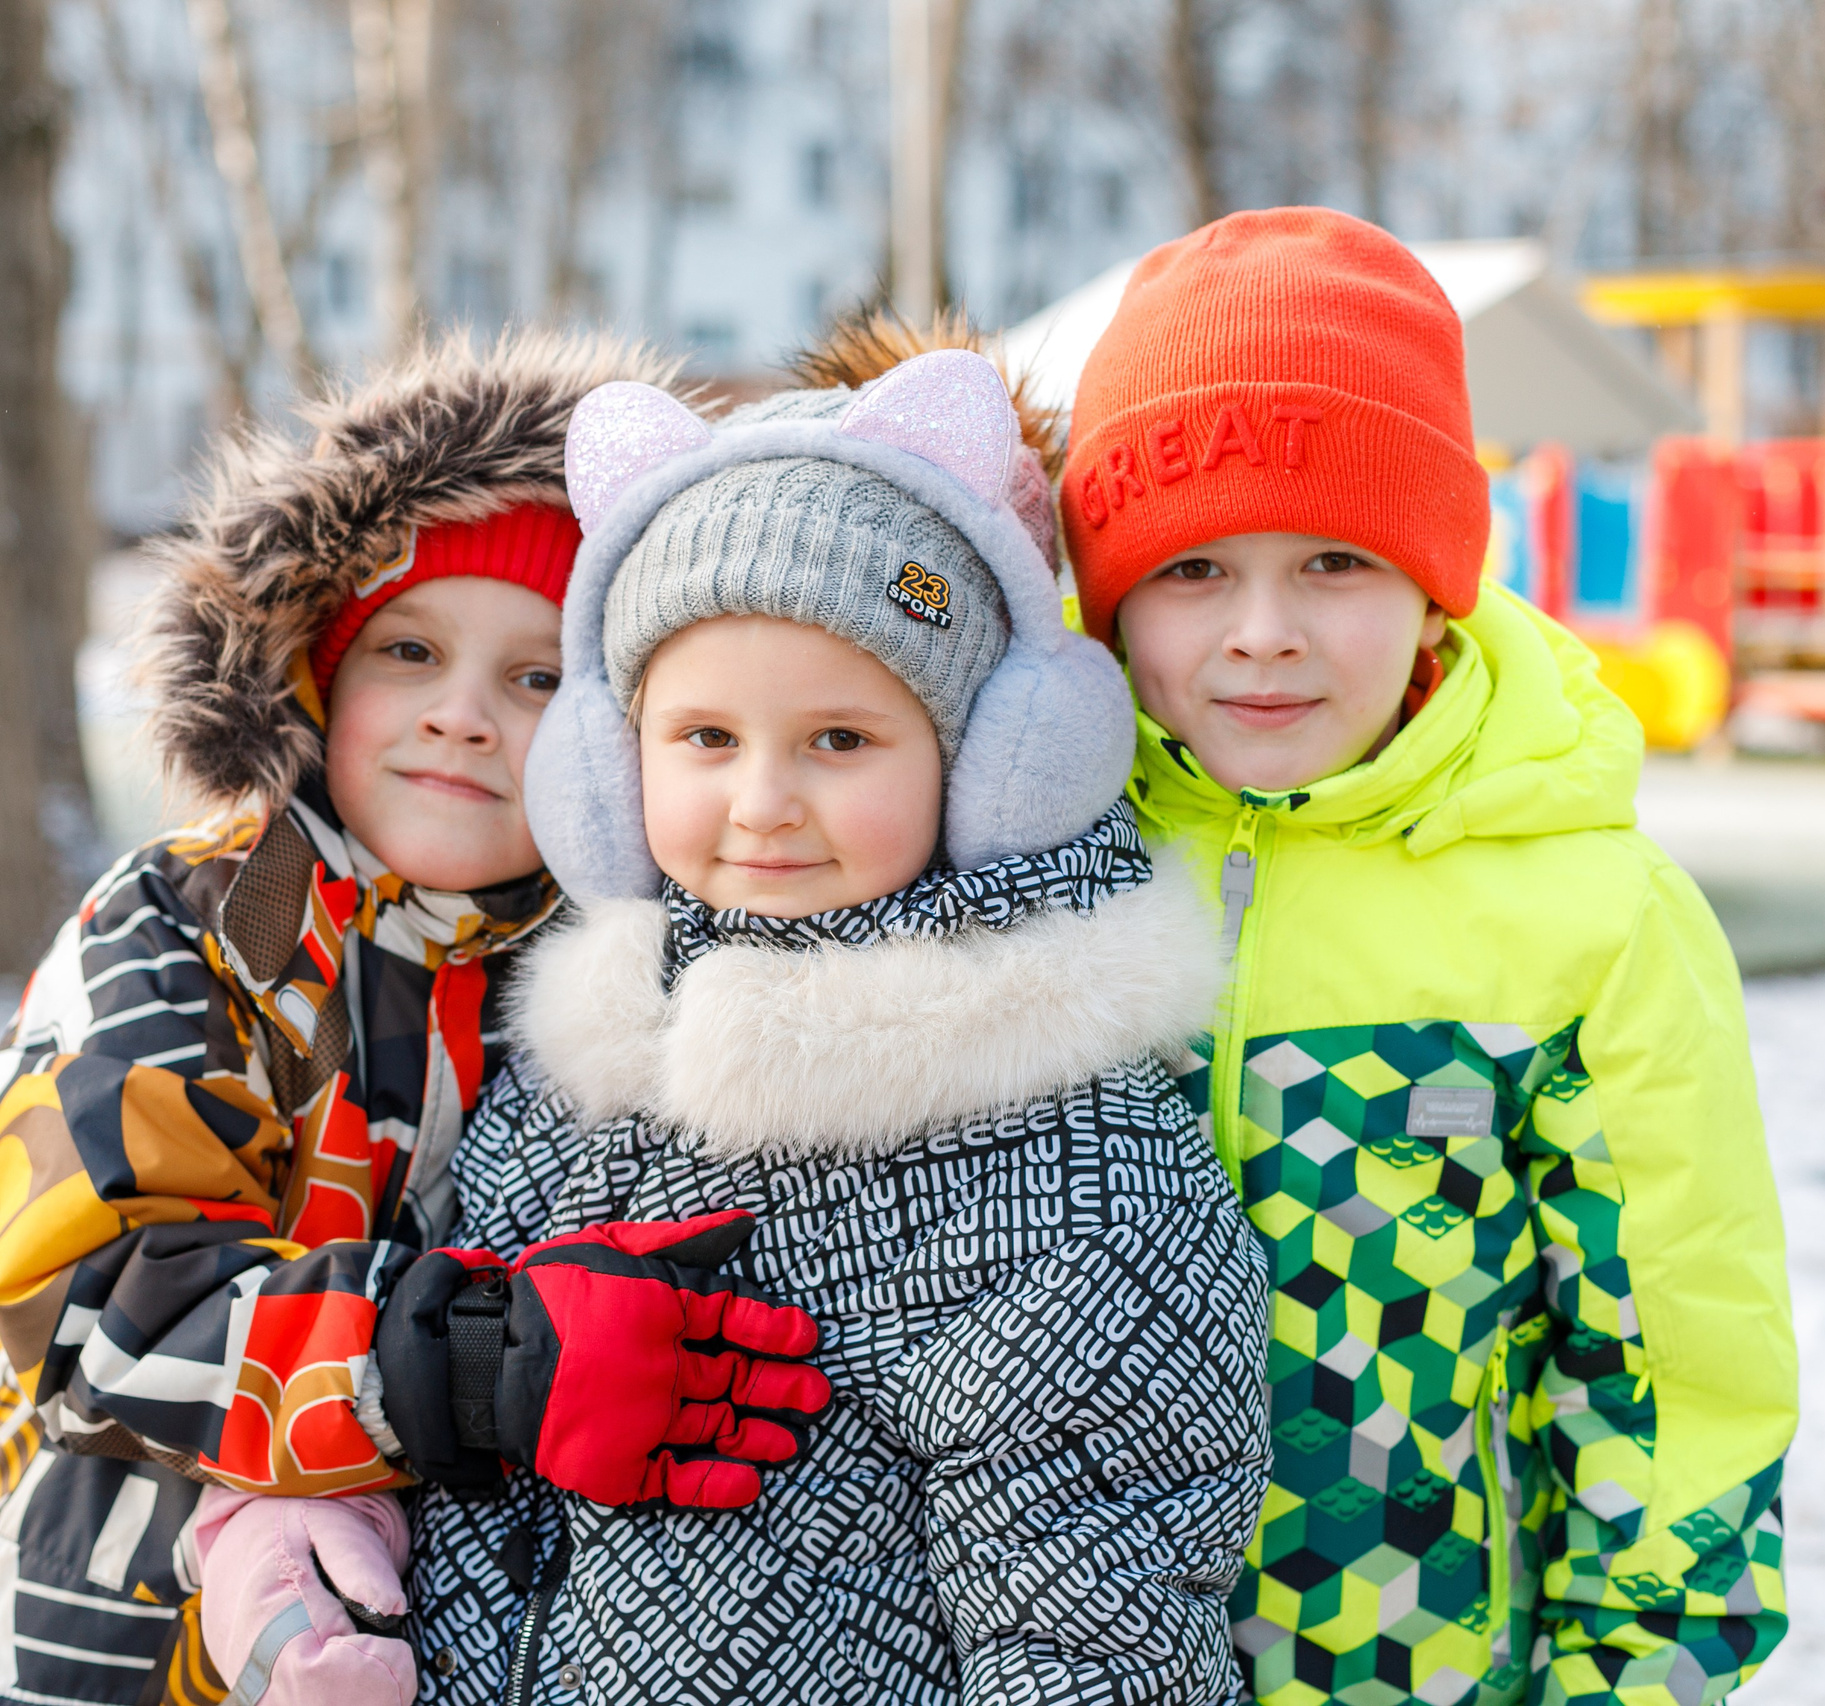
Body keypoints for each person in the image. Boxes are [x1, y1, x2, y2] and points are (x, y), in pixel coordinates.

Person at [290, 343, 1270, 1706]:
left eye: (841, 740)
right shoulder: (585, 1074)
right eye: (703, 738)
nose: (761, 801)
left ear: (988, 766)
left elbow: (1088, 1632)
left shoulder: (1077, 1165)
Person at [0, 330, 830, 1706]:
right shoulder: (194, 925)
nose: (461, 716)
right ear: (316, 671)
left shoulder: (599, 972)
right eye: (411, 649)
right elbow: (98, 1296)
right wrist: (473, 1359)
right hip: (88, 1633)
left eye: (537, 677)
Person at [1059, 209, 1797, 1706]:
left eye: (1334, 560)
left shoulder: (1587, 919)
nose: (1263, 634)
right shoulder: (1045, 871)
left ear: (1434, 579)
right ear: (1108, 590)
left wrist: (1640, 1671)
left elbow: (1677, 1361)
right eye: (1193, 569)